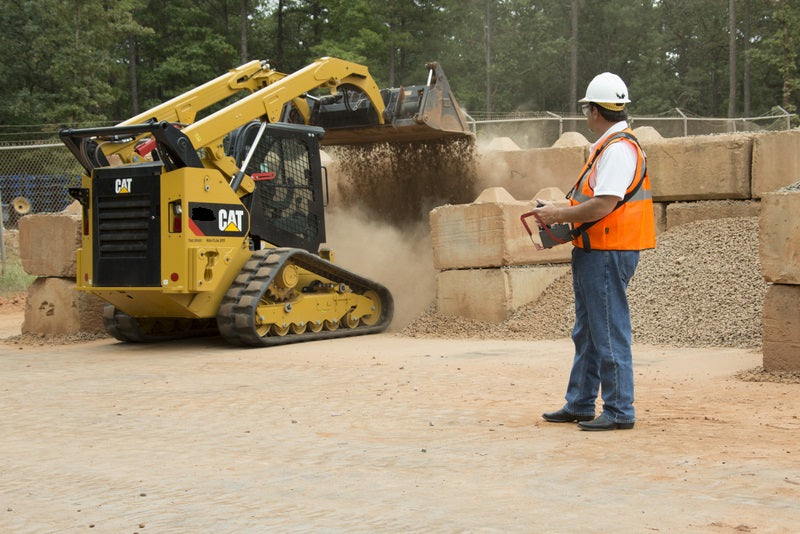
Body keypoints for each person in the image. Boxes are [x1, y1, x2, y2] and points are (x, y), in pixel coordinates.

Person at [533, 72, 656, 431]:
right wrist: (558, 208)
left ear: (595, 111)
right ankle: (581, 403)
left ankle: (619, 410)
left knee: (607, 330)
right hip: (597, 249)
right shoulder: (609, 147)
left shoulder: (618, 150)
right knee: (587, 332)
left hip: (607, 251)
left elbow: (603, 205)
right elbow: (592, 201)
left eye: (586, 108)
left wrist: (557, 214)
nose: (585, 115)